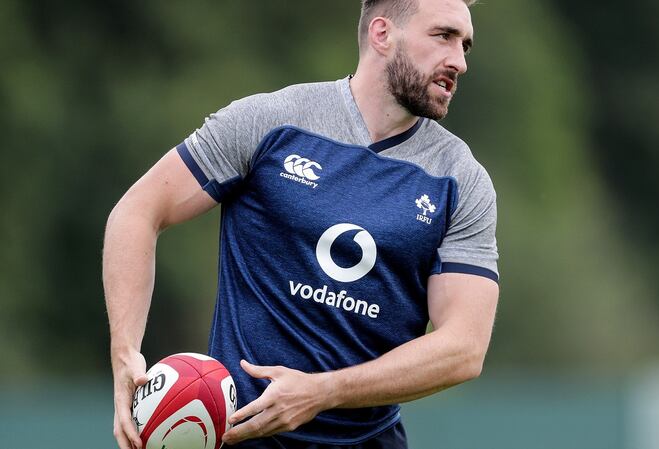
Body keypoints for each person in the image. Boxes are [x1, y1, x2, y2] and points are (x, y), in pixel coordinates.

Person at [104, 0, 498, 447]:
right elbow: (137, 212)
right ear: (382, 35)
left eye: (465, 45)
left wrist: (323, 392)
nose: (459, 61)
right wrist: (124, 356)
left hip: (368, 441)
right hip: (240, 438)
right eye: (443, 36)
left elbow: (464, 347)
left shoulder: (461, 180)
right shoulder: (270, 122)